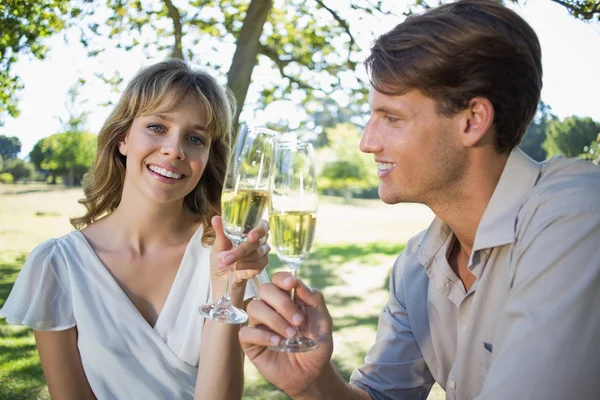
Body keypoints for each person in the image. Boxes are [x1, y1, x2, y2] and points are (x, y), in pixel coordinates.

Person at [238, 1, 600, 399]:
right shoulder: (417, 267)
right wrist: (315, 383)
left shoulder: (575, 215)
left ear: (472, 120)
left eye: (392, 118)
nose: (366, 143)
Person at [0, 59, 270, 399]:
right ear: (122, 138)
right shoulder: (57, 266)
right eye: (157, 127)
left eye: (195, 138)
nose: (175, 150)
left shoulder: (223, 257)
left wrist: (226, 289)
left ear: (208, 158)